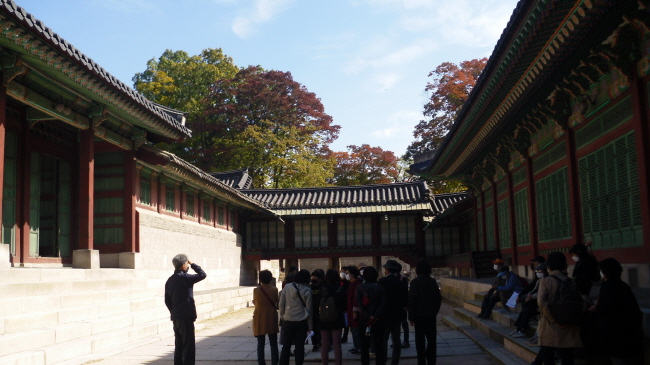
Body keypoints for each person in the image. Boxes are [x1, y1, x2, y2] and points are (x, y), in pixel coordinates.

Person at [588, 258, 643, 365]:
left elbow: (609, 308)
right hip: (630, 335)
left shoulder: (610, 287)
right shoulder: (623, 286)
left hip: (617, 336)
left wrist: (597, 308)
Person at [535, 252, 582, 365]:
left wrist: (553, 319)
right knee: (567, 357)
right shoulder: (571, 281)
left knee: (548, 356)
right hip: (568, 324)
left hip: (550, 326)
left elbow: (541, 302)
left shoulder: (546, 281)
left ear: (549, 266)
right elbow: (580, 302)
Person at [164, 254, 207, 365]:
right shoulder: (185, 278)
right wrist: (193, 264)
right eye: (186, 264)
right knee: (188, 345)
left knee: (179, 345)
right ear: (184, 265)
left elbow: (167, 300)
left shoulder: (170, 280)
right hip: (186, 316)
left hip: (176, 316)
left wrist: (174, 311)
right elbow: (202, 275)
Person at [408, 260, 441, 365]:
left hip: (418, 315)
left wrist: (411, 317)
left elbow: (412, 300)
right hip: (430, 315)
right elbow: (438, 298)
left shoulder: (414, 282)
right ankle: (431, 361)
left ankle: (421, 361)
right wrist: (435, 311)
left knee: (420, 341)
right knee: (431, 340)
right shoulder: (432, 281)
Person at [279, 269, 313, 365]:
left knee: (286, 346)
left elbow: (281, 304)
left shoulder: (287, 287)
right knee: (300, 346)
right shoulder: (307, 290)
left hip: (288, 319)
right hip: (301, 321)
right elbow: (309, 310)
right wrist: (310, 326)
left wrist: (282, 317)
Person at [378, 259, 408, 365]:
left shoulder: (382, 282)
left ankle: (383, 359)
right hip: (397, 314)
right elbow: (405, 298)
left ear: (386, 269)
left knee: (383, 339)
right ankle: (395, 360)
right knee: (396, 339)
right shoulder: (400, 282)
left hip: (385, 315)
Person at [357, 266, 386, 365]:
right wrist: (375, 315)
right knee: (379, 346)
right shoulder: (380, 287)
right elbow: (383, 304)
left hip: (364, 320)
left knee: (364, 347)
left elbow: (359, 304)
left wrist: (367, 315)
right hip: (378, 319)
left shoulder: (360, 288)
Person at [510, 263, 548, 338]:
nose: (538, 273)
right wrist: (529, 295)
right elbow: (533, 289)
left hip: (542, 301)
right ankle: (519, 329)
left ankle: (522, 330)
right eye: (537, 271)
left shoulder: (547, 280)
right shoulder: (539, 280)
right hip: (534, 299)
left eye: (540, 271)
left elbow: (543, 293)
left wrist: (532, 297)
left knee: (527, 309)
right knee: (525, 308)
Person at [319, 269, 347, 365]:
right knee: (337, 345)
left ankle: (324, 363)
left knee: (325, 344)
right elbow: (344, 305)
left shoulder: (321, 289)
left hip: (323, 319)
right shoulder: (340, 289)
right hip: (337, 318)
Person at [253, 270, 280, 365]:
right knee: (273, 343)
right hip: (271, 317)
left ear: (260, 279)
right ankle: (275, 362)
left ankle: (261, 362)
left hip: (260, 317)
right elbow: (276, 302)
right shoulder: (274, 290)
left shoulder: (256, 290)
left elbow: (256, 302)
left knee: (260, 343)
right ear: (270, 278)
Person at [345, 266, 363, 354]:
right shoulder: (351, 283)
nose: (346, 275)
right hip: (350, 309)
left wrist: (355, 311)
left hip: (354, 310)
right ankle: (356, 346)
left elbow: (356, 299)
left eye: (348, 273)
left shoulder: (357, 284)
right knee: (352, 330)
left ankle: (359, 347)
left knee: (356, 330)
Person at [310, 270, 325, 352]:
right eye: (312, 278)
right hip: (312, 311)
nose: (313, 279)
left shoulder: (323, 287)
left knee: (321, 328)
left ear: (320, 279)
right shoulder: (310, 287)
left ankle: (322, 342)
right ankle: (315, 343)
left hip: (322, 311)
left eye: (315, 278)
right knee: (313, 329)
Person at [397, 264, 410, 349]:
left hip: (402, 305)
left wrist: (405, 305)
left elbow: (405, 293)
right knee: (396, 325)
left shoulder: (403, 279)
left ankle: (406, 341)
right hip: (396, 305)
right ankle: (397, 341)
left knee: (404, 324)